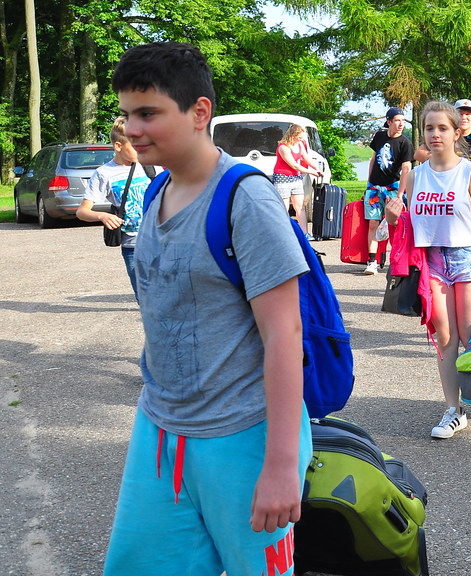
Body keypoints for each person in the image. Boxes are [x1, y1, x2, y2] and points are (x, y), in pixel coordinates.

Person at [105, 41, 312, 575]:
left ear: (200, 113)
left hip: (242, 436)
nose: (132, 128)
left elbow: (285, 333)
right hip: (161, 427)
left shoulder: (246, 199)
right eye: (128, 114)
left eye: (148, 113)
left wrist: (283, 465)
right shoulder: (155, 194)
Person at [385, 101, 471, 436]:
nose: (435, 134)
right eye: (429, 128)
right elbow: (408, 228)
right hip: (432, 263)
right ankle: (453, 411)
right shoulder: (415, 177)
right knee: (444, 338)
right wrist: (395, 218)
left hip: (469, 259)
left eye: (442, 128)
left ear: (457, 132)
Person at [76, 116, 155, 302]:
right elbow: (82, 211)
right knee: (145, 299)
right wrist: (102, 216)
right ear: (119, 146)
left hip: (162, 240)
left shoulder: (152, 165)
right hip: (133, 245)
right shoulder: (104, 174)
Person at [364, 106, 414, 275]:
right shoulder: (379, 136)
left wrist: (400, 194)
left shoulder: (405, 143)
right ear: (389, 121)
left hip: (392, 187)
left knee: (395, 225)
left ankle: (396, 260)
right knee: (373, 223)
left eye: (403, 121)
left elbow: (406, 169)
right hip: (374, 186)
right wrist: (368, 183)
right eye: (397, 120)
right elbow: (373, 159)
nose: (401, 124)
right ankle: (372, 261)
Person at [272, 123, 322, 240]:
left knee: (300, 207)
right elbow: (294, 165)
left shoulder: (299, 144)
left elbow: (306, 158)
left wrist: (316, 168)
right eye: (299, 137)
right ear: (293, 135)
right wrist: (311, 172)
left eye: (302, 138)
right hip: (282, 178)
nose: (301, 140)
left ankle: (305, 234)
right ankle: (284, 234)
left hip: (296, 178)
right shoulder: (283, 147)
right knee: (283, 208)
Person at [414, 98, 471, 169]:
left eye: (468, 114)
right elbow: (418, 154)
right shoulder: (445, 136)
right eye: (460, 114)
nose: (464, 117)